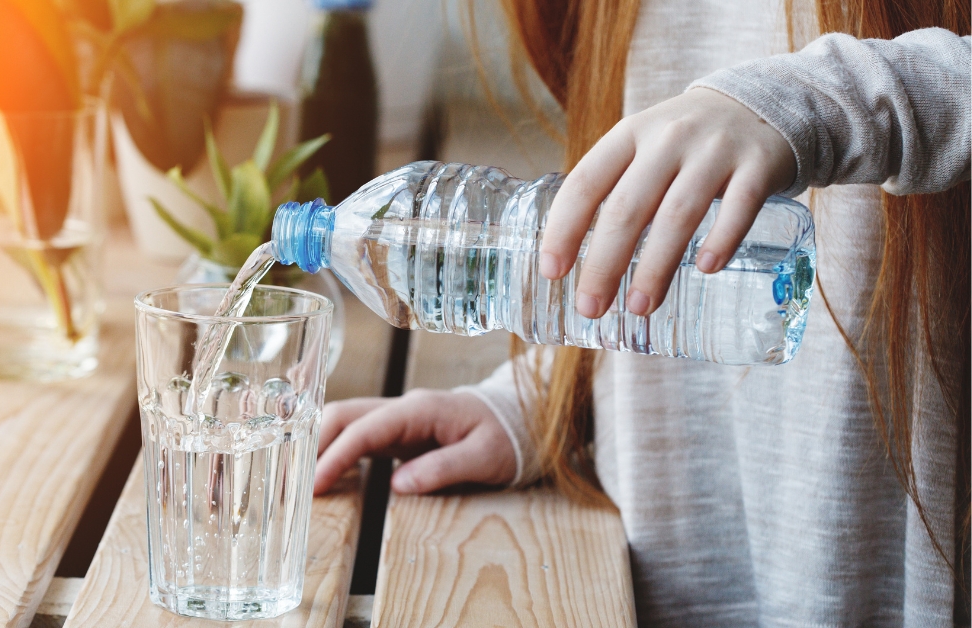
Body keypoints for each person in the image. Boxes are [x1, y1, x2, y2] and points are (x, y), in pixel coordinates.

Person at [312, 1, 971, 625]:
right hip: (657, 584)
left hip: (882, 581)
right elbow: (643, 252)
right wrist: (548, 404)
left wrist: (826, 101)